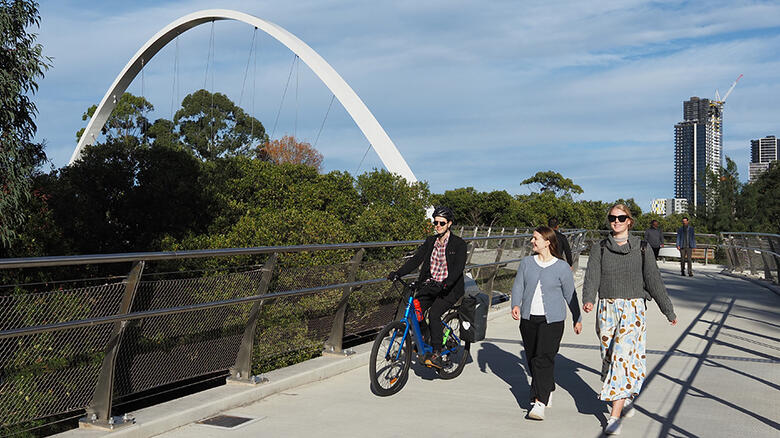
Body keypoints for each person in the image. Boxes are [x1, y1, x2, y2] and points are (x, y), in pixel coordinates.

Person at [582, 203, 677, 435]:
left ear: (629, 221)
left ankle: (613, 417)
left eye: (621, 218)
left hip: (633, 308)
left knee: (622, 357)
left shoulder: (641, 248)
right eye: (613, 218)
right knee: (609, 357)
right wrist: (588, 299)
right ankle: (624, 396)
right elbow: (592, 275)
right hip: (606, 307)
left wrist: (668, 310)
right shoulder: (600, 248)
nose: (616, 221)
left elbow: (654, 280)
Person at [510, 226, 582, 421]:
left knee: (544, 358)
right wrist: (515, 304)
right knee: (533, 358)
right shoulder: (526, 263)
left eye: (536, 239)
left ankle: (539, 402)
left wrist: (577, 317)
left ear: (547, 242)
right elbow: (518, 285)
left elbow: (570, 294)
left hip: (553, 321)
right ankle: (547, 387)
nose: (532, 242)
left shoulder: (561, 267)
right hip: (528, 318)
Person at [387, 206, 467, 369]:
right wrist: (398, 273)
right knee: (415, 310)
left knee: (435, 313)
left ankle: (437, 352)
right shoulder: (430, 241)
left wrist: (446, 283)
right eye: (435, 222)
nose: (437, 225)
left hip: (449, 288)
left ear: (449, 224)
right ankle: (426, 338)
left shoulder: (459, 244)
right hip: (431, 284)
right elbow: (416, 260)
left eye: (441, 223)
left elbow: (458, 269)